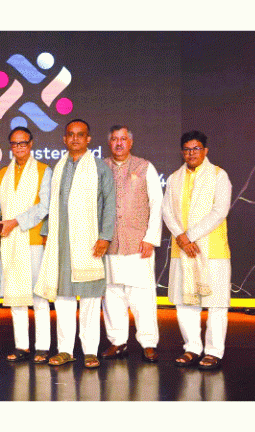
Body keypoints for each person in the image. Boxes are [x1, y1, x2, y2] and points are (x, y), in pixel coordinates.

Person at [34, 119, 116, 369]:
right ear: (64, 138)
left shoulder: (100, 168)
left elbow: (110, 204)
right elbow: (52, 203)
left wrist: (105, 236)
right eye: (71, 134)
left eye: (80, 135)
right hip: (60, 241)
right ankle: (65, 350)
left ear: (88, 139)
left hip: (90, 241)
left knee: (90, 297)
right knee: (63, 298)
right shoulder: (58, 167)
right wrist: (47, 231)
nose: (75, 139)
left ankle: (90, 350)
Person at [162, 130, 232, 370]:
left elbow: (220, 211)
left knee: (216, 303)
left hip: (212, 250)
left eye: (196, 148)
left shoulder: (219, 175)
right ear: (182, 152)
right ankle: (192, 347)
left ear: (205, 151)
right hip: (182, 249)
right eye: (187, 149)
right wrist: (182, 239)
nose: (191, 153)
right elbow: (166, 212)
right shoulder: (174, 178)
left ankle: (213, 351)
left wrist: (188, 236)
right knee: (185, 302)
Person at [0, 126, 53, 364]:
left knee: (39, 298)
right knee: (16, 297)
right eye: (15, 144)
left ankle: (43, 347)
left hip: (34, 240)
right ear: (10, 146)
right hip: (10, 241)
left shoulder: (43, 170)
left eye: (23, 143)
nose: (19, 147)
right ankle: (22, 346)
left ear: (31, 143)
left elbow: (45, 206)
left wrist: (16, 221)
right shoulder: (2, 173)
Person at [100, 125, 163, 363]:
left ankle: (148, 343)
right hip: (109, 244)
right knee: (112, 294)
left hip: (139, 243)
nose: (119, 143)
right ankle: (118, 341)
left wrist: (150, 238)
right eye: (114, 139)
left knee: (142, 296)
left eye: (123, 139)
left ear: (131, 142)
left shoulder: (144, 167)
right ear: (109, 143)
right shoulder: (100, 167)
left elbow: (157, 203)